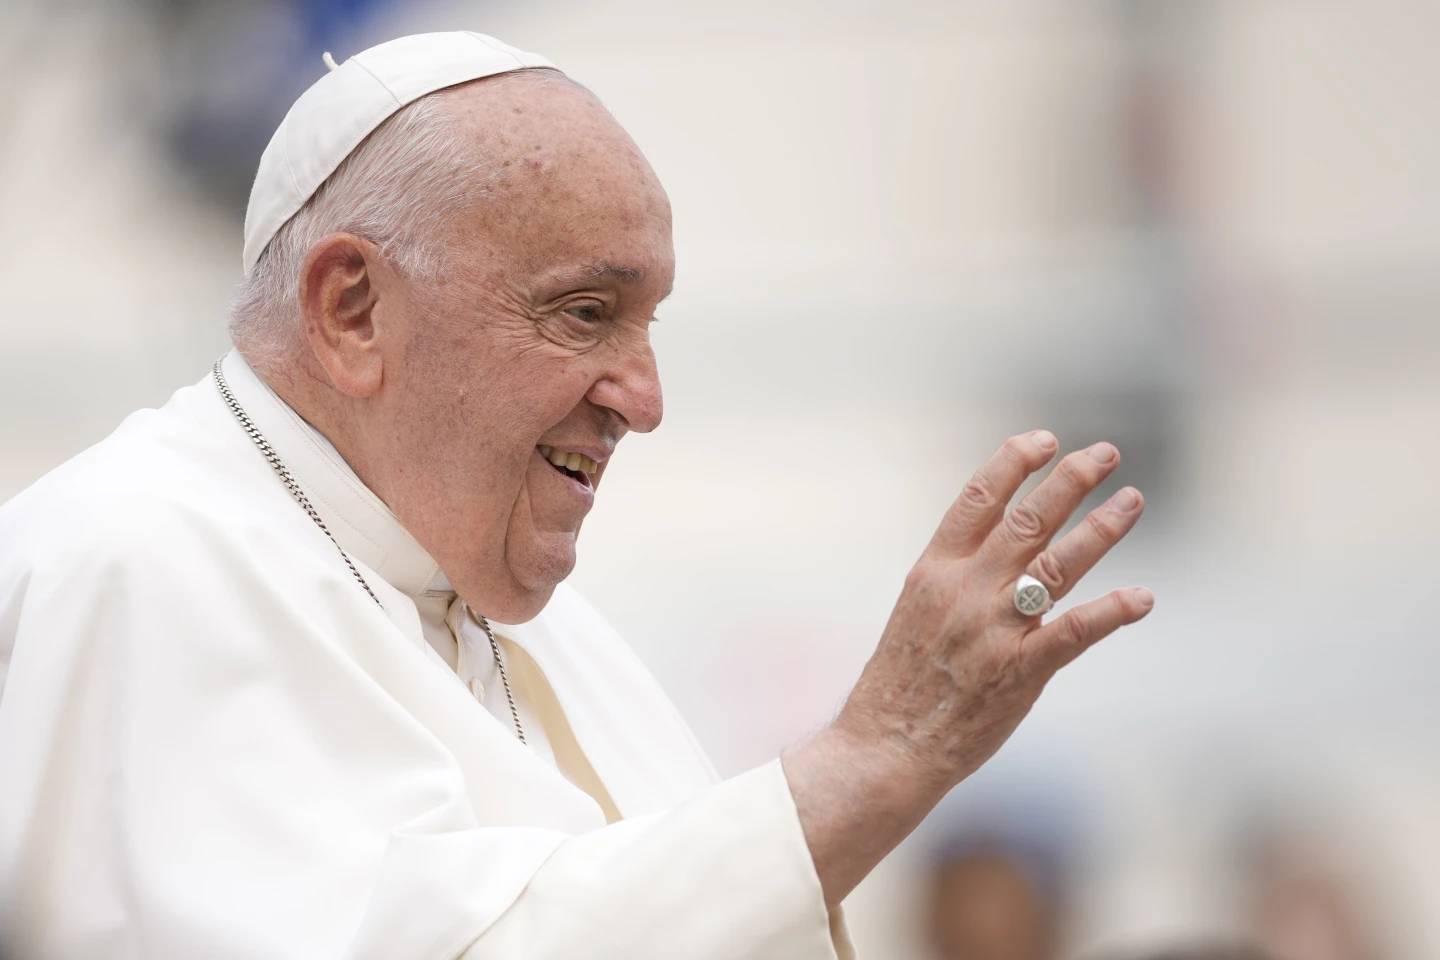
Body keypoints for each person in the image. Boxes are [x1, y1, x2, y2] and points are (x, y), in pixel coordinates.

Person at [0, 31, 1155, 959]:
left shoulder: (544, 629)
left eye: (648, 323)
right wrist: (876, 757)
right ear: (351, 308)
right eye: (585, 314)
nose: (645, 400)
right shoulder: (130, 563)